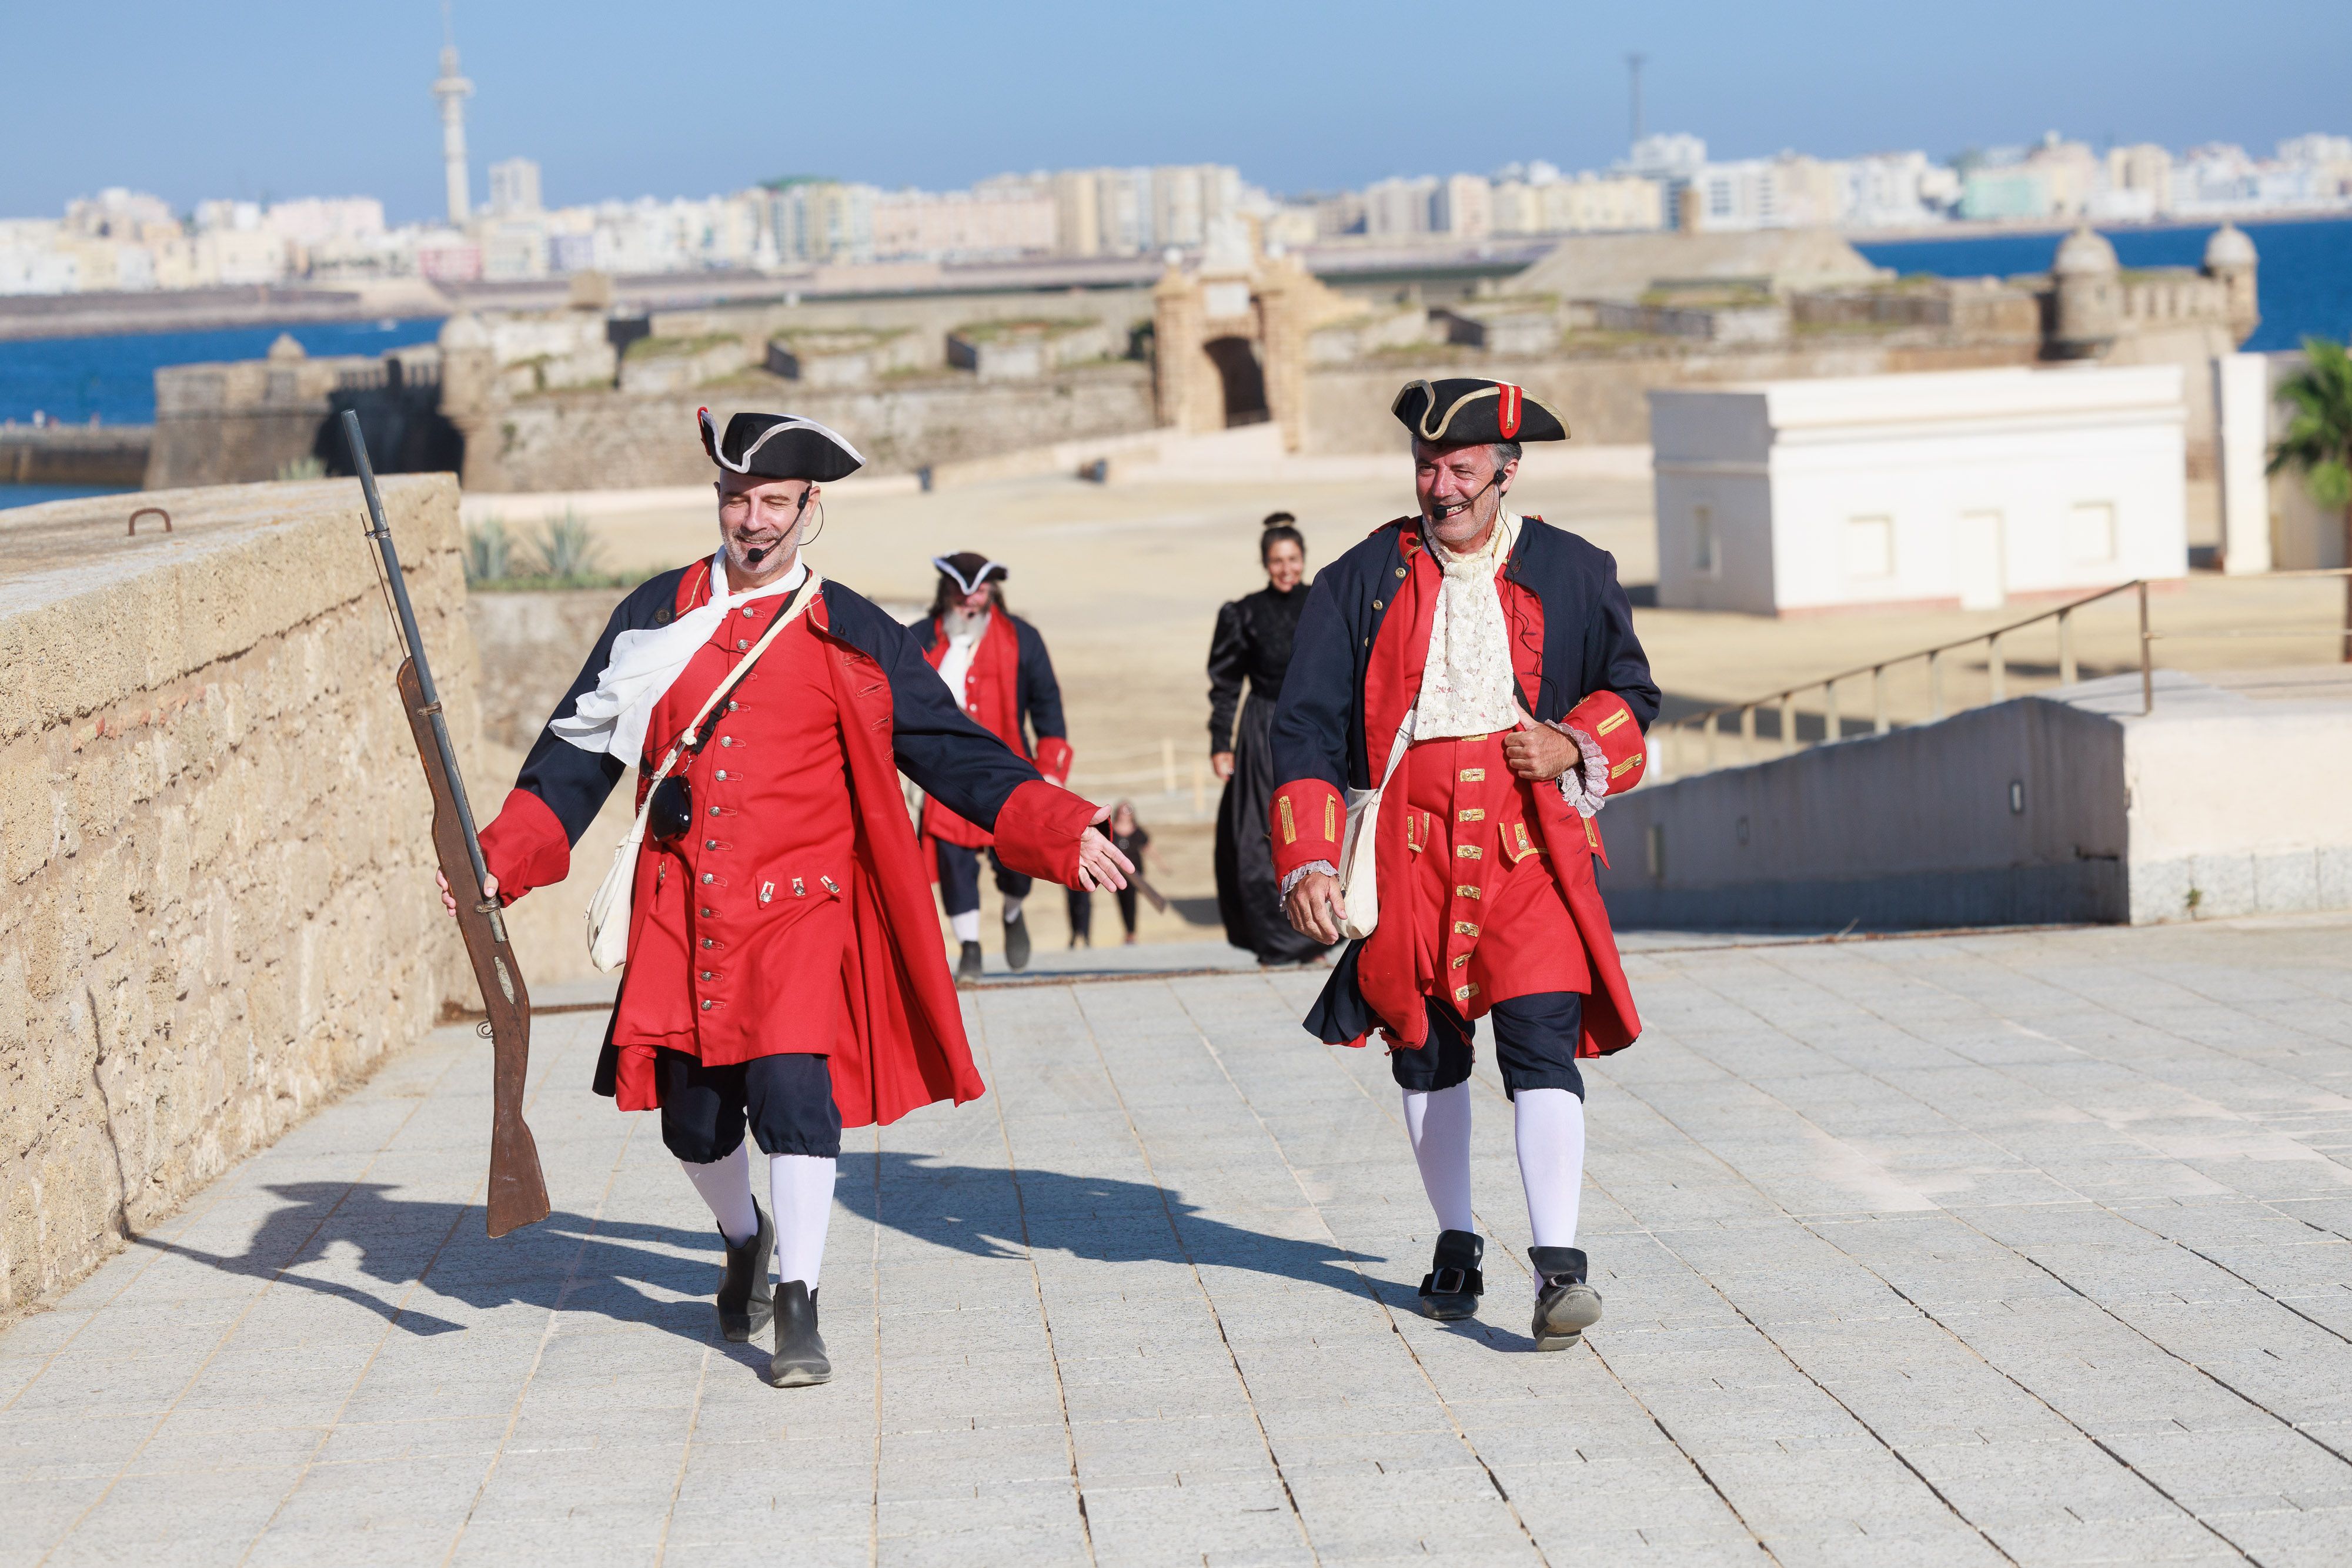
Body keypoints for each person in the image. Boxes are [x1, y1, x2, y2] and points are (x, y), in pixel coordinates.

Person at [442, 409, 1131, 1388]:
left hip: (806, 906)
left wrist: (1062, 830)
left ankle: (800, 1297)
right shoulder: (656, 613)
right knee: (694, 1124)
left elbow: (952, 752)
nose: (752, 521)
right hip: (684, 907)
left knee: (795, 1096)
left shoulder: (852, 630)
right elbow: (575, 754)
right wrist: (497, 861)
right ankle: (744, 1235)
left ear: (812, 507)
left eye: (773, 502)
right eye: (736, 499)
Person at [1269, 377, 1657, 1353]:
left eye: (1463, 469)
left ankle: (1559, 1267)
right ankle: (1455, 1237)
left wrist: (1573, 744)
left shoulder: (1574, 569)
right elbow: (1305, 722)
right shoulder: (1361, 577)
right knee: (1426, 1048)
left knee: (1542, 1037)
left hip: (1531, 840)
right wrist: (1310, 856)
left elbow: (1634, 693)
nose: (1441, 487)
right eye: (1428, 467)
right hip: (1408, 843)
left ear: (1507, 472)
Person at [911, 554, 1073, 986]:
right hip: (943, 773)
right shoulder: (919, 639)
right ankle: (970, 948)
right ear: (945, 593)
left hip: (1009, 767)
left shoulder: (1023, 638)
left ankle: (1013, 911)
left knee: (1018, 863)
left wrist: (1050, 770)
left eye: (978, 592)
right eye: (960, 593)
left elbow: (1047, 706)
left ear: (992, 592)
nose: (969, 602)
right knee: (954, 861)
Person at [1208, 515, 1331, 967]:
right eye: (1277, 561)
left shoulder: (1323, 603)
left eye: (1293, 559)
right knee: (1258, 835)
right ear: (1265, 563)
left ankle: (1316, 935)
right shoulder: (1242, 612)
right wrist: (1220, 742)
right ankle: (1275, 943)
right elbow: (1224, 685)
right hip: (1261, 730)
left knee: (1315, 825)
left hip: (1315, 727)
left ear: (1303, 559)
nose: (1286, 568)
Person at [1107, 800, 1159, 944]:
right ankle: (1128, 931)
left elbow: (1149, 848)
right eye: (1123, 810)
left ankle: (1131, 933)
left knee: (1131, 901)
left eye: (1129, 810)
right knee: (1122, 902)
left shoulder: (1138, 831)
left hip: (1135, 875)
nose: (1125, 814)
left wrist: (1162, 865)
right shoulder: (1110, 830)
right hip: (1116, 874)